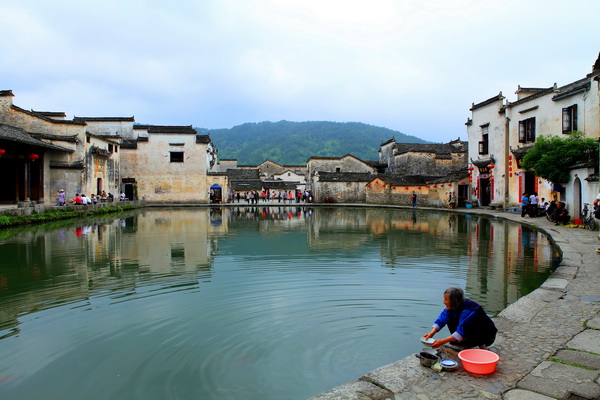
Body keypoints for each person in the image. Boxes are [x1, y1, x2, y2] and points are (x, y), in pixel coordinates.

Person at [423, 287, 497, 350]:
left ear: (453, 301)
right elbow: (441, 319)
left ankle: (482, 345)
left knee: (468, 324)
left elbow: (462, 328)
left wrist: (442, 341)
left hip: (487, 336)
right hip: (469, 332)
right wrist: (432, 333)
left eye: (446, 299)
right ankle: (462, 340)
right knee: (449, 318)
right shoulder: (454, 306)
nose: (444, 302)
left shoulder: (469, 309)